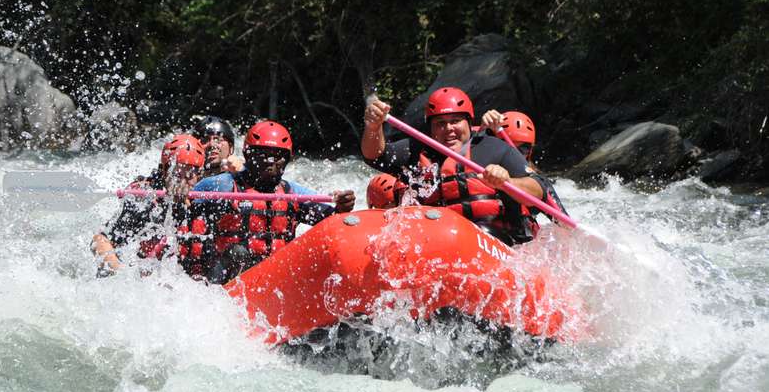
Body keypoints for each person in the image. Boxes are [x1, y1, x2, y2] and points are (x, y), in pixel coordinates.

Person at [361, 87, 552, 246]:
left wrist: (507, 181)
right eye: (440, 123)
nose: (449, 129)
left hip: (497, 244)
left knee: (485, 232)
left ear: (469, 123)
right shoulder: (415, 150)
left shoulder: (494, 149)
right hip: (437, 245)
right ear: (431, 128)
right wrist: (373, 127)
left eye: (455, 121)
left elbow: (539, 190)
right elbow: (375, 156)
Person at [178, 120, 356, 283]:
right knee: (239, 253)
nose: (271, 162)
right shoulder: (221, 185)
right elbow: (186, 209)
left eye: (278, 156)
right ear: (248, 154)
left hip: (275, 281)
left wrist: (342, 207)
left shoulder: (292, 193)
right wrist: (180, 195)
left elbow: (331, 219)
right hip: (225, 279)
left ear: (287, 159)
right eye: (263, 154)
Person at [90, 134, 205, 276]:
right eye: (177, 173)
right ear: (165, 170)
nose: (181, 181)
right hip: (132, 277)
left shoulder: (197, 201)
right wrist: (122, 276)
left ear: (199, 176)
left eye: (189, 175)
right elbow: (100, 240)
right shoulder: (144, 199)